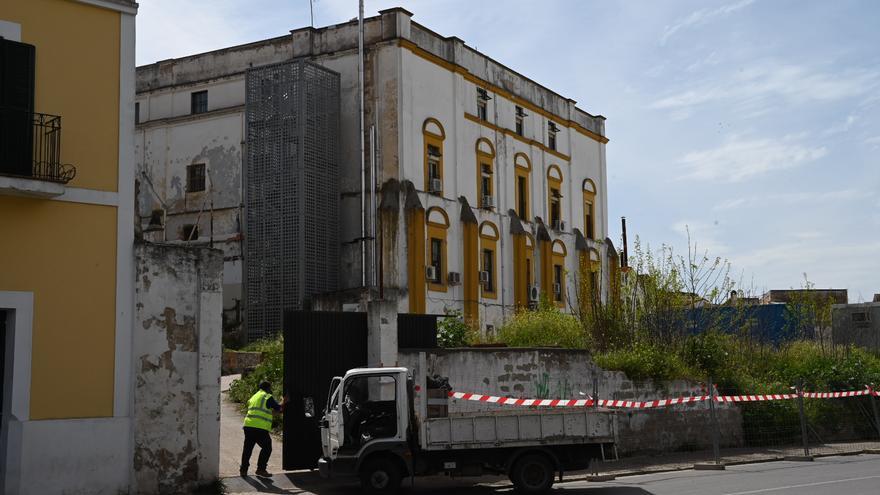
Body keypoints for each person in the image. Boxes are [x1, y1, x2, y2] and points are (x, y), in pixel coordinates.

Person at [240, 381, 285, 477]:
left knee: (247, 448)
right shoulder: (267, 396)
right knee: (267, 447)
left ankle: (243, 470)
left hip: (248, 425)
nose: (271, 390)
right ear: (268, 388)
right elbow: (279, 408)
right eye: (270, 388)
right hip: (259, 427)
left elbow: (264, 411)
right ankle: (261, 469)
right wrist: (284, 401)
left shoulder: (254, 396)